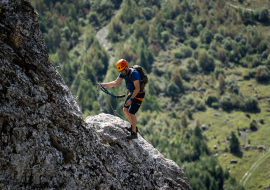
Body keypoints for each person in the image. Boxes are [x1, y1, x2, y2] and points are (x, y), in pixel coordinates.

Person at [98, 59, 145, 139]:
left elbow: (137, 89)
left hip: (138, 94)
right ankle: (134, 127)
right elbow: (115, 83)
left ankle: (134, 133)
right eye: (120, 71)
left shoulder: (134, 73)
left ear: (126, 67)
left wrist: (130, 99)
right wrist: (104, 85)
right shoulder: (123, 73)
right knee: (125, 109)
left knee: (131, 112)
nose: (121, 73)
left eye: (122, 71)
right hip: (131, 93)